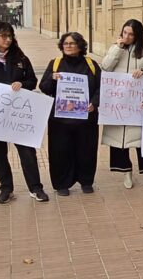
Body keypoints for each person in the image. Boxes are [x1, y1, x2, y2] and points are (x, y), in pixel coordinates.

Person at [0, 22, 49, 204]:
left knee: (27, 152)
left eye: (10, 36)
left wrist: (22, 84)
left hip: (17, 116)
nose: (7, 39)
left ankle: (35, 188)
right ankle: (6, 188)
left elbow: (32, 80)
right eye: (3, 36)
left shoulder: (20, 59)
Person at [39, 32, 102, 195]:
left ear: (80, 46)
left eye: (72, 43)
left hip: (86, 118)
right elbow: (44, 87)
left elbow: (101, 88)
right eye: (66, 43)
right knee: (60, 151)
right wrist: (52, 79)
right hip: (60, 119)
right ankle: (61, 184)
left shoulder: (91, 64)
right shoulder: (55, 64)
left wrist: (94, 104)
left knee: (86, 150)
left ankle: (86, 181)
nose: (68, 46)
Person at [100, 19, 143, 189]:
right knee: (120, 142)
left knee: (141, 141)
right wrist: (117, 49)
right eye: (124, 32)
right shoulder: (114, 48)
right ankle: (127, 173)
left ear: (138, 35)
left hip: (136, 104)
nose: (127, 37)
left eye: (131, 34)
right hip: (117, 103)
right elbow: (105, 68)